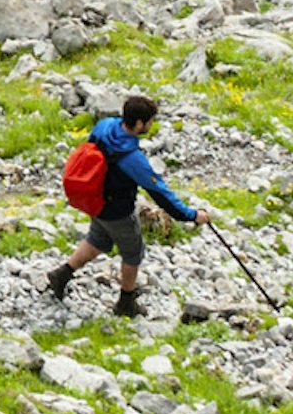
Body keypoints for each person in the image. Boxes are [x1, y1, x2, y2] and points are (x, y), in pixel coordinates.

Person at [48, 92, 208, 316]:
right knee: (133, 253)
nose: (152, 125)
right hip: (117, 211)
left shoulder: (106, 126)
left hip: (96, 200)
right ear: (140, 123)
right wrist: (191, 215)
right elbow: (159, 193)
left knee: (98, 238)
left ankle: (61, 274)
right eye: (150, 121)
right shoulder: (131, 158)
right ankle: (126, 302)